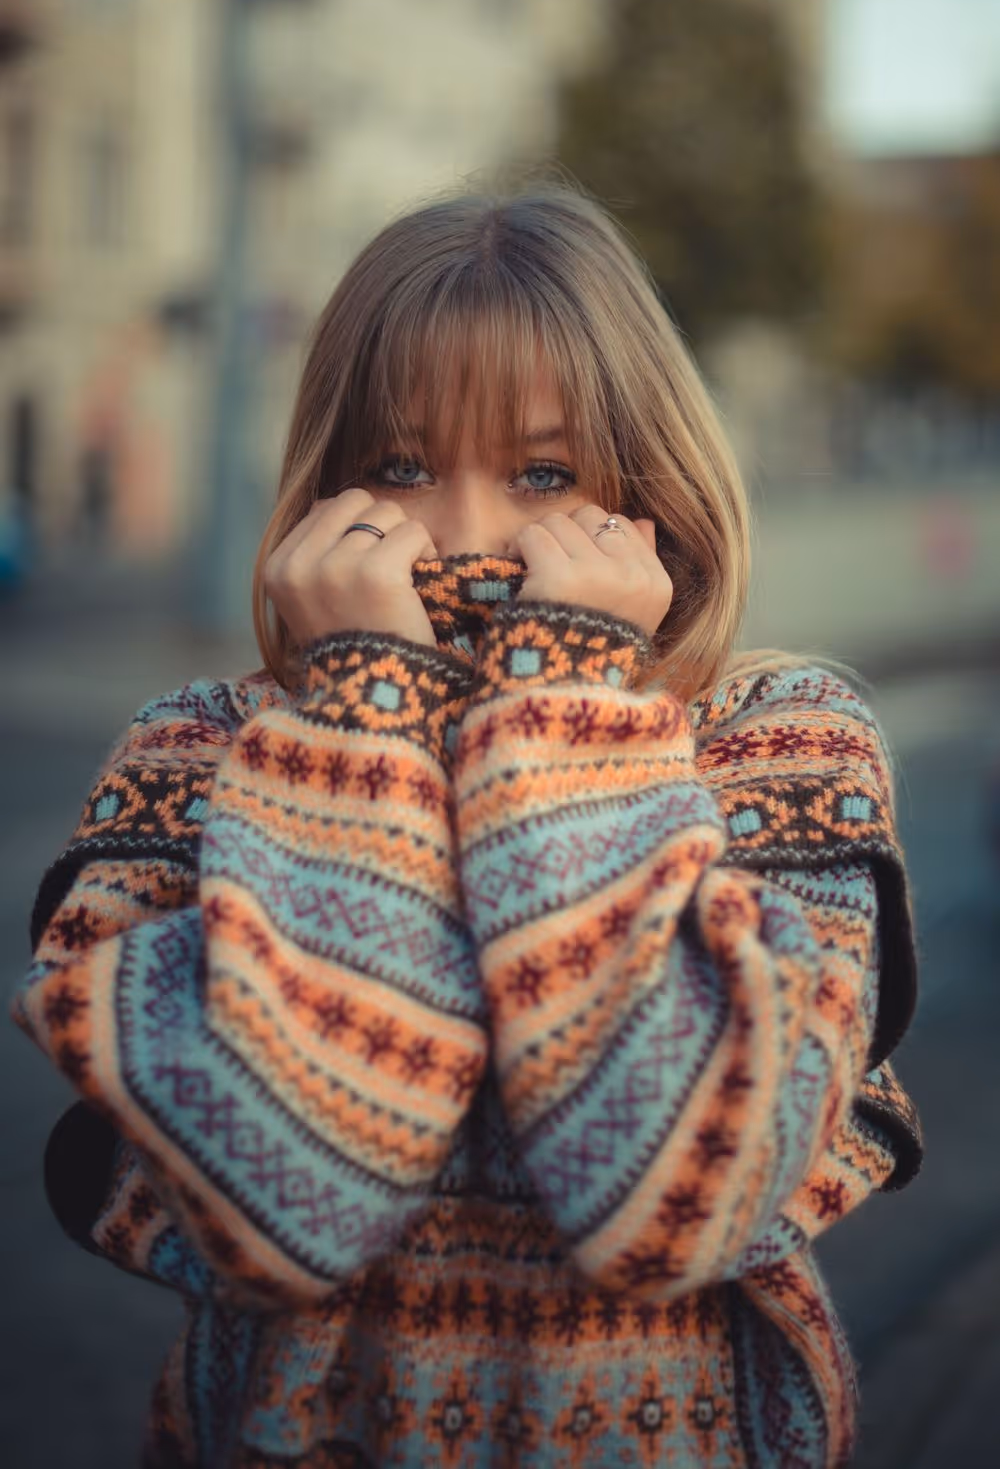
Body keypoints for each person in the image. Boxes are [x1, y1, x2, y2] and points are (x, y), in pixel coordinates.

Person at [11, 179, 923, 1468]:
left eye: (543, 472)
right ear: (326, 481)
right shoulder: (195, 755)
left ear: (644, 484)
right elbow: (291, 1197)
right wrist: (365, 723)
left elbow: (681, 1196)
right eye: (399, 466)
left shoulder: (777, 743)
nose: (462, 532)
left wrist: (558, 709)